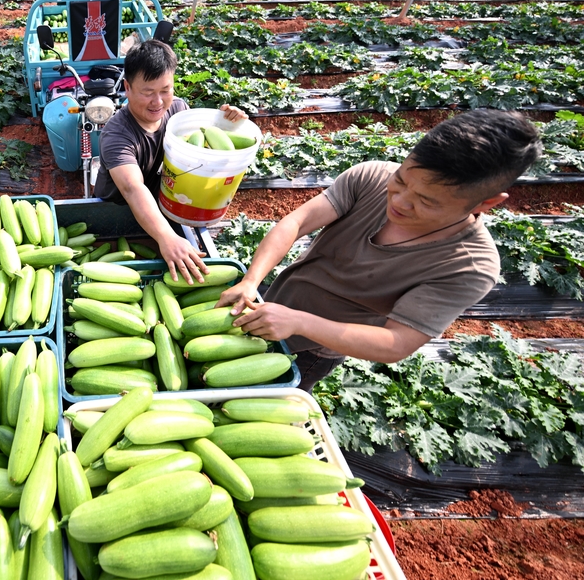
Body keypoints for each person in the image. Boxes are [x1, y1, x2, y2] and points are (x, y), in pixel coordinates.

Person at [216, 110, 542, 392]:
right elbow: (297, 222)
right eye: (401, 181)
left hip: (313, 349)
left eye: (426, 202)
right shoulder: (372, 176)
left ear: (487, 203)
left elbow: (396, 343)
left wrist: (298, 323)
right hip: (270, 304)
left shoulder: (469, 266)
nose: (398, 202)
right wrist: (251, 280)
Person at [93, 39, 248, 285]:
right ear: (128, 88)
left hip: (162, 204)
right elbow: (133, 188)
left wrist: (226, 124)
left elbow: (199, 147)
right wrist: (166, 236)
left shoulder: (178, 111)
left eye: (165, 90)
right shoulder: (117, 135)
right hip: (118, 210)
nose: (158, 102)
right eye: (148, 92)